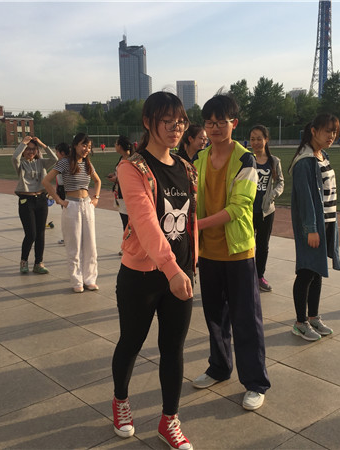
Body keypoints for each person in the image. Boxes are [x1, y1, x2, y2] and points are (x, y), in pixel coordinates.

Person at [111, 91, 196, 450]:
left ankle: (169, 420)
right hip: (143, 275)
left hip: (180, 273)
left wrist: (191, 264)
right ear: (148, 122)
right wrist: (171, 269)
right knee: (131, 342)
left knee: (173, 348)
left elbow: (189, 220)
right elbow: (145, 223)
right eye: (167, 121)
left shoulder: (186, 167)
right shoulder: (132, 168)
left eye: (181, 121)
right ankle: (120, 400)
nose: (176, 128)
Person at [192, 94, 270, 411]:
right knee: (214, 316)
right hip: (208, 252)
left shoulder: (245, 160)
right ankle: (219, 367)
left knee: (245, 319)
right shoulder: (199, 159)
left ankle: (255, 383)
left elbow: (238, 208)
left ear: (233, 123)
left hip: (237, 251)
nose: (214, 128)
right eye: (209, 123)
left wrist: (196, 225)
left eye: (220, 122)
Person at [289, 113, 340, 341]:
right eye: (327, 131)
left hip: (326, 222)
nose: (331, 136)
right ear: (314, 131)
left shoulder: (322, 156)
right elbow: (306, 199)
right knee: (306, 273)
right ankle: (300, 322)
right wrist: (311, 228)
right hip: (312, 226)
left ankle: (313, 317)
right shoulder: (305, 161)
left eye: (334, 132)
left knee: (317, 271)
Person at [42, 133, 101, 293]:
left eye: (89, 147)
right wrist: (58, 200)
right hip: (72, 206)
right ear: (75, 145)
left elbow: (98, 181)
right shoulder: (65, 162)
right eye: (84, 145)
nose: (86, 149)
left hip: (87, 205)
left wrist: (96, 197)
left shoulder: (87, 163)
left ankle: (90, 279)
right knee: (73, 245)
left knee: (90, 245)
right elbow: (46, 181)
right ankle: (77, 280)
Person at [12, 135, 58, 274]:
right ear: (24, 150)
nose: (31, 152)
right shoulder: (21, 164)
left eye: (33, 149)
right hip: (26, 201)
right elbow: (14, 158)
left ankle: (38, 263)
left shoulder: (41, 163)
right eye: (28, 149)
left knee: (40, 234)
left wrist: (42, 144)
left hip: (41, 200)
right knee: (31, 234)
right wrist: (23, 143)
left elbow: (55, 159)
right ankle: (24, 261)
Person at [250, 125, 284, 292]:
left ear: (266, 140)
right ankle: (247, 275)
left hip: (266, 211)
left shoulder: (274, 161)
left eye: (259, 139)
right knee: (247, 245)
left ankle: (259, 276)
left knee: (262, 245)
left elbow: (280, 182)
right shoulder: (247, 160)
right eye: (252, 139)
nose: (256, 142)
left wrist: (273, 195)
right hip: (248, 210)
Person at [107, 135, 133, 231]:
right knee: (125, 221)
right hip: (120, 194)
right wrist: (114, 174)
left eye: (116, 143)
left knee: (129, 223)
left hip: (128, 195)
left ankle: (130, 239)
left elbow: (132, 178)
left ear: (120, 146)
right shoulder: (122, 158)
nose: (115, 145)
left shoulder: (132, 160)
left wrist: (117, 179)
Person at [54, 142, 70, 245]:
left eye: (57, 152)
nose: (56, 154)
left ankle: (68, 238)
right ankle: (68, 237)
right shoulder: (66, 162)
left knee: (67, 215)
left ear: (62, 153)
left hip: (65, 190)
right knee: (67, 214)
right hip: (62, 189)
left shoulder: (63, 163)